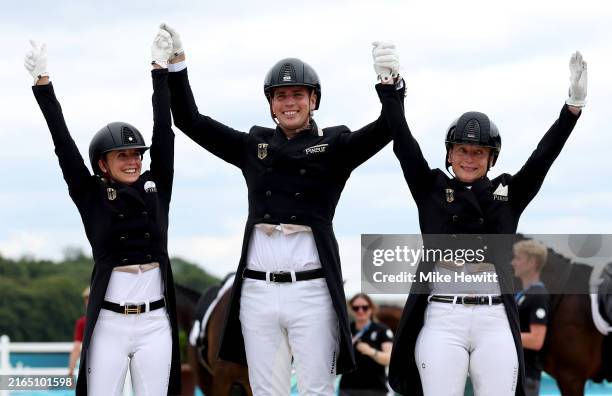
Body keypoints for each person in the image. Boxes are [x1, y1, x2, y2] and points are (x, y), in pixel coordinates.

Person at [158, 23, 404, 395]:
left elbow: (388, 128)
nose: (289, 102)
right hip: (258, 290)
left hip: (311, 290)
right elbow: (190, 121)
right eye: (280, 96)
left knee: (315, 390)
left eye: (297, 95)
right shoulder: (253, 145)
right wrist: (177, 67)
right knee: (266, 391)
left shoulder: (335, 144)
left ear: (314, 100)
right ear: (271, 104)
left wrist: (390, 83)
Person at [384, 52, 587, 396]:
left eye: (478, 152)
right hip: (442, 318)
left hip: (494, 319)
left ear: (491, 158)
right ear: (449, 154)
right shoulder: (429, 186)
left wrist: (572, 109)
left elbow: (543, 155)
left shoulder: (509, 192)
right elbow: (403, 142)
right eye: (462, 150)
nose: (469, 158)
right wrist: (388, 88)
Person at [25, 31, 181, 395]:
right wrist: (43, 86)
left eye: (136, 155)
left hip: (155, 321)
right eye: (122, 155)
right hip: (110, 322)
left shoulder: (157, 186)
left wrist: (159, 71)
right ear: (102, 164)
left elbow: (165, 132)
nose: (133, 161)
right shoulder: (90, 193)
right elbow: (62, 144)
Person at [512, 239, 550, 396]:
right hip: (515, 374)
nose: (513, 262)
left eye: (518, 258)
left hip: (527, 378)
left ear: (532, 262)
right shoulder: (521, 295)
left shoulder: (538, 295)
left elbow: (536, 340)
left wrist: (502, 336)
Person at [339, 293, 393, 396]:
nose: (360, 311)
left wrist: (370, 351)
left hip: (375, 389)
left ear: (371, 308)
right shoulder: (345, 330)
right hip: (347, 389)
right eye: (356, 308)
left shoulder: (382, 330)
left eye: (365, 307)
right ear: (351, 309)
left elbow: (388, 359)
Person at [68, 287, 89, 378]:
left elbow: (76, 347)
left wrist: (71, 371)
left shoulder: (82, 322)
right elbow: (76, 347)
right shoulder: (82, 322)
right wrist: (71, 370)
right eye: (87, 298)